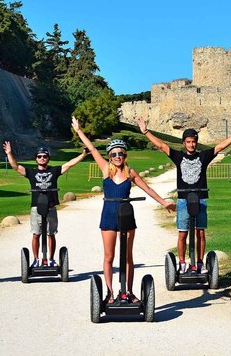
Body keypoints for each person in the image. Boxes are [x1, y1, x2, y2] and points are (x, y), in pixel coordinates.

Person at [72, 116, 175, 303]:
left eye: (120, 154)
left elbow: (148, 189)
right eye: (114, 154)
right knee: (109, 256)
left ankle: (128, 291)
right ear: (109, 156)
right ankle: (110, 293)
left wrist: (164, 202)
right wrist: (79, 131)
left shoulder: (130, 172)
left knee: (128, 257)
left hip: (127, 217)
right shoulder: (105, 170)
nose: (117, 157)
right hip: (109, 216)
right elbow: (93, 149)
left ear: (125, 155)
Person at [137, 117, 231, 274]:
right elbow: (161, 145)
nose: (191, 144)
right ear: (184, 143)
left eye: (194, 141)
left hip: (200, 199)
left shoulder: (203, 156)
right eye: (188, 142)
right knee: (183, 233)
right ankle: (182, 263)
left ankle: (200, 263)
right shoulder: (178, 157)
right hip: (183, 200)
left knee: (200, 232)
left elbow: (221, 146)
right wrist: (146, 132)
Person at [2, 141, 87, 266]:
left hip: (51, 207)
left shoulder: (54, 170)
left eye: (45, 156)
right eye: (39, 156)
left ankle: (51, 259)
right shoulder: (31, 172)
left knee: (51, 234)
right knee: (36, 234)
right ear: (36, 158)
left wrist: (84, 154)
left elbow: (69, 164)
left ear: (48, 158)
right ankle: (36, 259)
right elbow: (16, 167)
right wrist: (9, 153)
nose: (42, 158)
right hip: (36, 208)